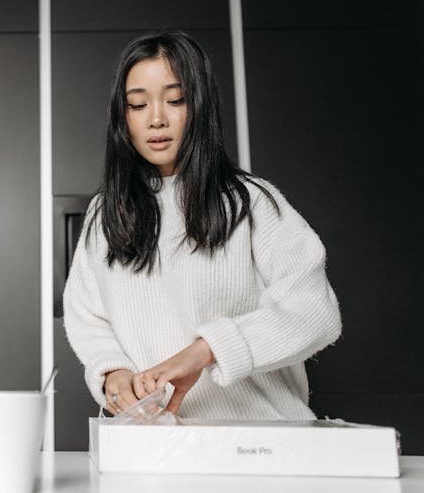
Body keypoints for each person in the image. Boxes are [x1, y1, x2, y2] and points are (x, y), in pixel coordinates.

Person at [62, 31, 342, 420]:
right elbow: (88, 318)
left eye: (175, 100)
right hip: (156, 452)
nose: (156, 118)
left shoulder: (251, 202)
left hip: (261, 449)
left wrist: (208, 349)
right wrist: (114, 373)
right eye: (138, 104)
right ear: (122, 117)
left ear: (200, 106)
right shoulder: (105, 213)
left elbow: (315, 311)